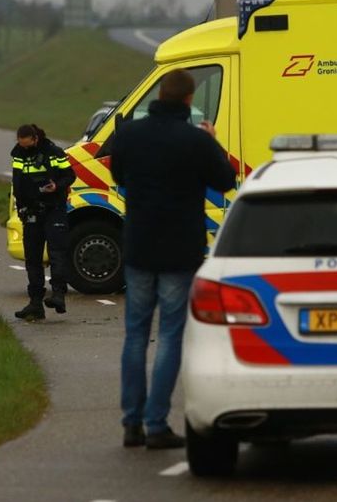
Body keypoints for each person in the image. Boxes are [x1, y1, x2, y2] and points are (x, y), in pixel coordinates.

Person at [109, 69, 236, 449]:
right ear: (187, 101)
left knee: (135, 334)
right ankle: (156, 423)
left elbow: (118, 174)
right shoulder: (194, 141)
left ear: (160, 95)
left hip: (139, 246)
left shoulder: (129, 135)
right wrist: (212, 142)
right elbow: (225, 180)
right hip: (180, 251)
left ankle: (131, 422)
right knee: (169, 336)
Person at [11, 124, 76, 321]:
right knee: (32, 259)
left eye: (27, 144)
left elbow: (70, 175)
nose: (24, 148)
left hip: (54, 209)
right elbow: (18, 182)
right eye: (21, 144)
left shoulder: (54, 152)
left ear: (35, 139)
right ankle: (35, 303)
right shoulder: (19, 155)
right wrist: (21, 207)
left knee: (57, 253)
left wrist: (56, 186)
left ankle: (58, 295)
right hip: (31, 212)